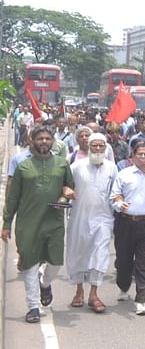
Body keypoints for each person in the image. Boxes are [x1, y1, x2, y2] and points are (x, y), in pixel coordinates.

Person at [2, 125, 76, 323]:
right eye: (40, 138)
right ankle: (33, 306)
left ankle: (45, 284)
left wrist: (64, 198)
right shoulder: (23, 167)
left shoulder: (62, 163)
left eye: (47, 138)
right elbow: (13, 198)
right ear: (32, 141)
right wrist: (6, 223)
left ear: (52, 141)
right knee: (30, 265)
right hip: (28, 224)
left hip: (54, 223)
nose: (44, 141)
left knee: (55, 262)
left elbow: (69, 187)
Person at [66, 133, 118, 313]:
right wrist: (66, 191)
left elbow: (115, 192)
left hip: (104, 218)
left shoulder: (112, 168)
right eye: (94, 146)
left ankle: (94, 294)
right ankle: (79, 290)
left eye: (100, 146)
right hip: (79, 217)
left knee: (100, 254)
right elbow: (65, 185)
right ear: (88, 147)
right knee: (79, 253)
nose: (97, 149)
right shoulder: (76, 167)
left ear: (105, 148)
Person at [110, 143, 145, 316]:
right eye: (140, 154)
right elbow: (114, 196)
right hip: (125, 222)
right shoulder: (124, 174)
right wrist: (120, 204)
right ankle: (123, 286)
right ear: (133, 156)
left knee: (144, 263)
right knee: (124, 261)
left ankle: (141, 300)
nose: (143, 157)